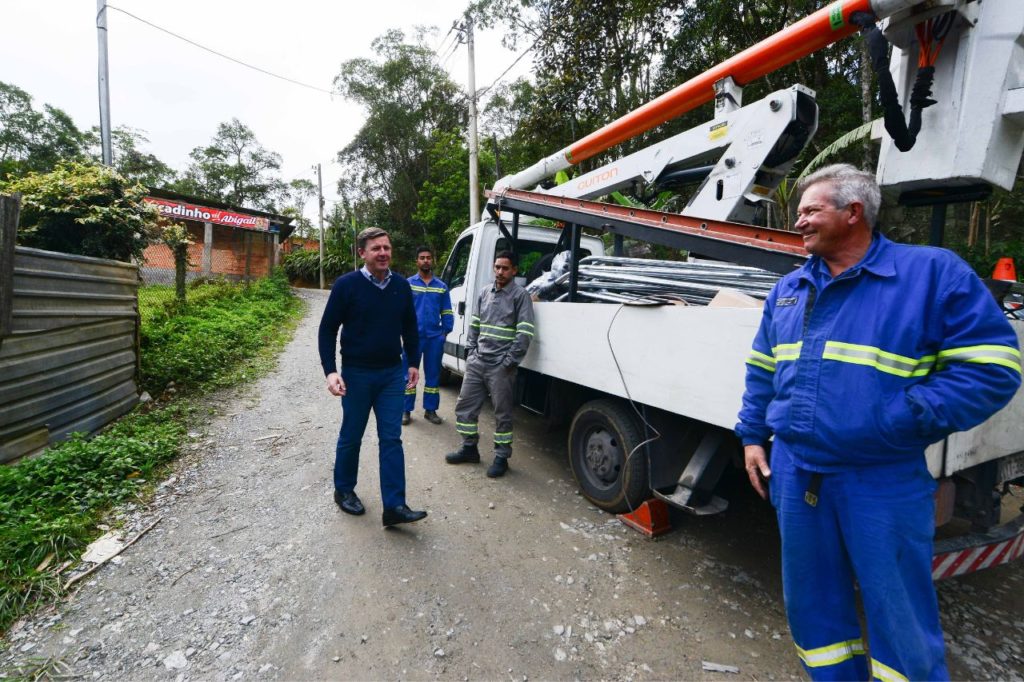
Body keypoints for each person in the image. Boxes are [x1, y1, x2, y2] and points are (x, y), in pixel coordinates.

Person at [736, 164, 1021, 681]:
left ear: (853, 212)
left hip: (882, 476)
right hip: (798, 472)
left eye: (810, 210)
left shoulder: (932, 275)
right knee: (812, 602)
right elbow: (762, 371)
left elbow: (993, 370)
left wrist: (893, 422)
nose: (798, 220)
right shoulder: (789, 289)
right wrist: (754, 436)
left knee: (899, 609)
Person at [318, 226, 429, 528]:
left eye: (387, 248)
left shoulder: (402, 287)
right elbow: (328, 329)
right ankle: (344, 490)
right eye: (376, 248)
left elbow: (410, 328)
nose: (383, 253)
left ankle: (394, 506)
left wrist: (413, 363)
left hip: (392, 374)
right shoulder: (346, 286)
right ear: (362, 253)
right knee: (352, 435)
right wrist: (331, 371)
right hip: (357, 374)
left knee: (391, 438)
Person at [446, 250, 535, 478]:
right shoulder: (485, 292)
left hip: (500, 366)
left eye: (505, 268)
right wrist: (470, 350)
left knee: (502, 414)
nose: (500, 272)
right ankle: (469, 449)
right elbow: (475, 323)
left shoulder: (520, 295)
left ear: (514, 270)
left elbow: (524, 332)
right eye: (497, 267)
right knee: (465, 407)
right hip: (478, 362)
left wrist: (509, 362)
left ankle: (501, 457)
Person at [403, 245, 454, 426]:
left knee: (433, 375)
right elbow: (402, 310)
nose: (425, 260)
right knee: (408, 374)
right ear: (417, 261)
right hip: (413, 339)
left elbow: (447, 311)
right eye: (422, 257)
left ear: (432, 261)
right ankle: (405, 411)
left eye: (428, 257)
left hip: (434, 338)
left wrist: (444, 331)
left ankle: (430, 410)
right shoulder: (408, 284)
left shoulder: (441, 287)